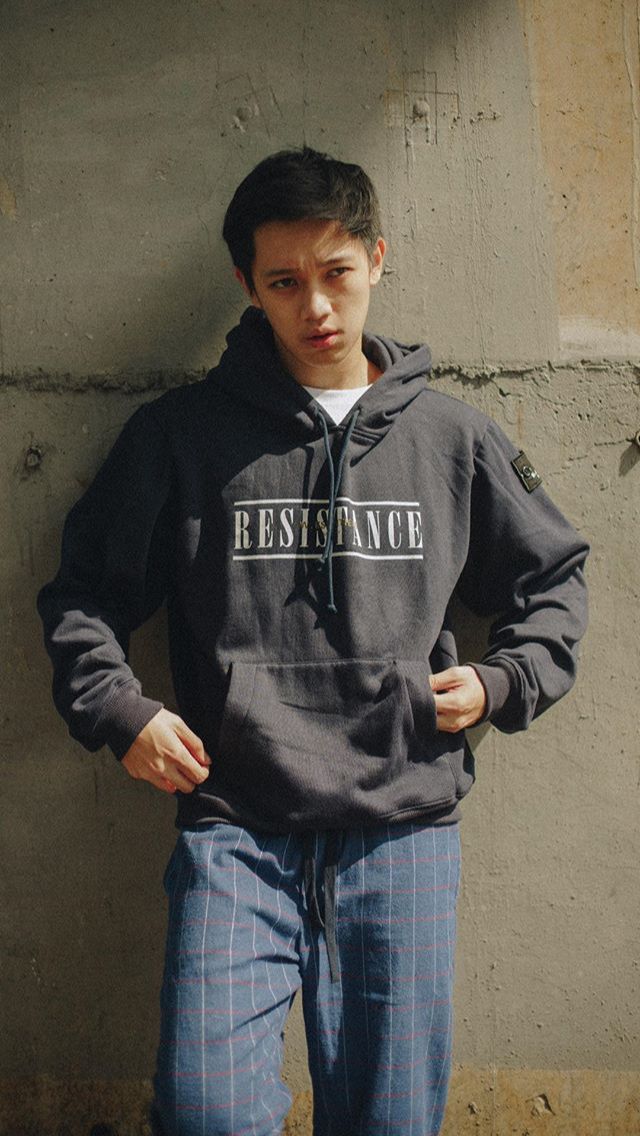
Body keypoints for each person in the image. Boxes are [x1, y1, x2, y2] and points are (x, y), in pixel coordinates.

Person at [38, 147, 589, 1136]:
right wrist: (120, 711)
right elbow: (84, 595)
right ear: (247, 284)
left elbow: (551, 580)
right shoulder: (181, 437)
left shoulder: (450, 438)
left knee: (389, 1117)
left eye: (336, 272)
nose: (316, 306)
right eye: (284, 281)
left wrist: (503, 681)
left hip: (402, 822)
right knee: (205, 1109)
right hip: (236, 823)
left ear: (376, 258)